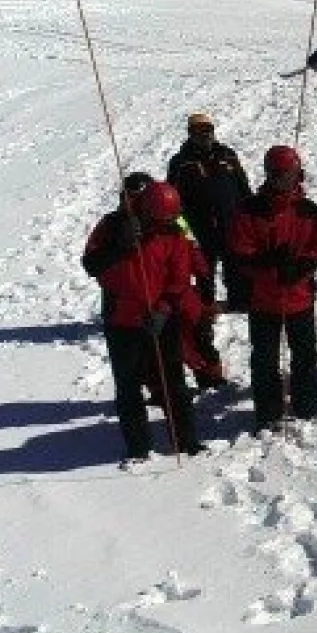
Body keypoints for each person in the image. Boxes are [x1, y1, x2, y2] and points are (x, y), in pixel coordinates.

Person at [82, 177, 205, 465]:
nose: (164, 225)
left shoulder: (174, 230)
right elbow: (91, 264)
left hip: (162, 318)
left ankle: (186, 440)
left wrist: (163, 309)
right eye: (159, 220)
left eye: (168, 220)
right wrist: (121, 245)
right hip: (122, 320)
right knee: (128, 385)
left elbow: (179, 277)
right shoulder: (112, 225)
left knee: (173, 380)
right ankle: (137, 447)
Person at [228, 146, 317, 432]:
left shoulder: (309, 211)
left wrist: (296, 269)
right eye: (279, 175)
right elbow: (239, 253)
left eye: (290, 174)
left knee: (306, 355)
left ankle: (306, 404)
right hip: (263, 301)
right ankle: (268, 413)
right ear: (269, 174)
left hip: (300, 298)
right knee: (264, 361)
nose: (285, 180)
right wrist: (270, 263)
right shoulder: (249, 210)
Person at [167, 112, 252, 319]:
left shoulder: (228, 155)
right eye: (198, 131)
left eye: (207, 130)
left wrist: (248, 215)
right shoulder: (180, 163)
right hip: (198, 227)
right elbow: (172, 201)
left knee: (235, 263)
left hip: (230, 222)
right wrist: (183, 229)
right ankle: (206, 306)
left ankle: (239, 300)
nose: (204, 135)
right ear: (190, 134)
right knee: (204, 269)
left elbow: (243, 187)